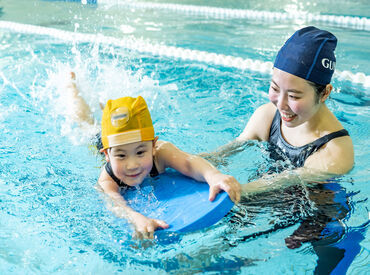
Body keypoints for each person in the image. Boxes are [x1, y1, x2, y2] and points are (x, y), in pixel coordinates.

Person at [65, 73, 241, 239]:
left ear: (153, 146)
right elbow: (114, 203)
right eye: (121, 156)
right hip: (102, 140)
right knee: (86, 125)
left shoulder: (162, 151)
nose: (132, 164)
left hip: (126, 144)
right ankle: (73, 91)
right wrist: (135, 217)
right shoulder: (107, 178)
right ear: (107, 156)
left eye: (140, 152)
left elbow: (189, 162)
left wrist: (214, 176)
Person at [202, 26, 354, 192]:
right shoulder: (267, 116)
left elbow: (278, 184)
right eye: (275, 89)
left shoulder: (335, 151)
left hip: (315, 213)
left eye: (294, 96)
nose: (280, 105)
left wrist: (231, 190)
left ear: (324, 93)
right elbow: (222, 154)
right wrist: (185, 164)